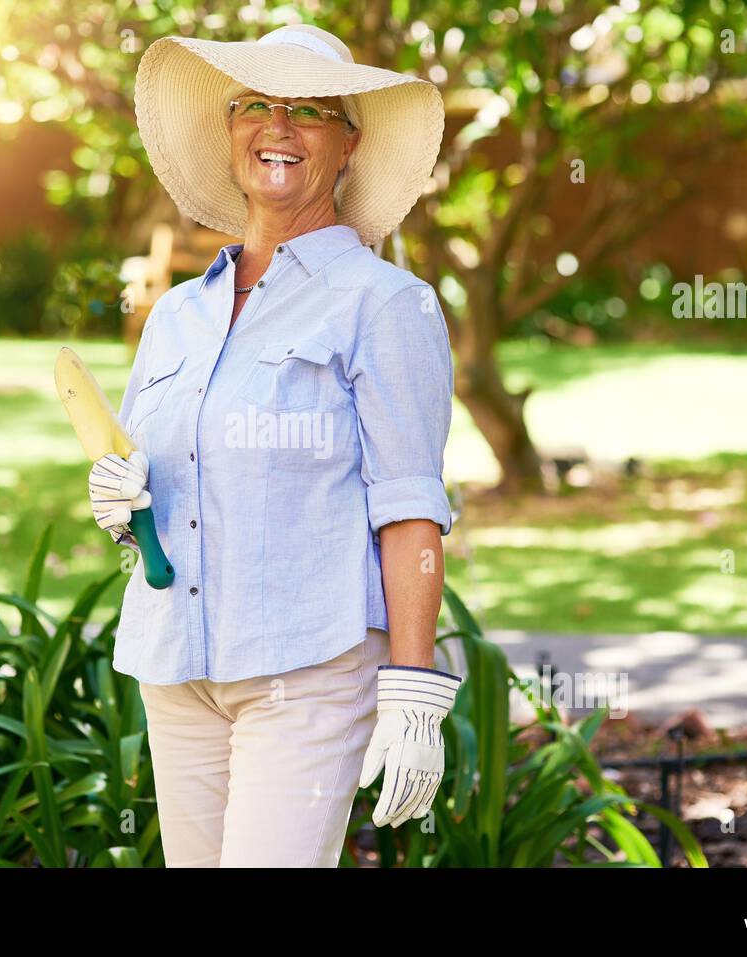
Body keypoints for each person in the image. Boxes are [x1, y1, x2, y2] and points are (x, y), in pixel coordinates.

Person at [88, 23, 462, 867]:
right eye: (255, 105)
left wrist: (412, 691)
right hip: (178, 666)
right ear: (229, 131)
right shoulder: (179, 313)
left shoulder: (384, 305)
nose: (278, 127)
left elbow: (410, 511)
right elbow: (168, 483)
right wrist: (120, 502)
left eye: (309, 111)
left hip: (310, 667)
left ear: (347, 144)